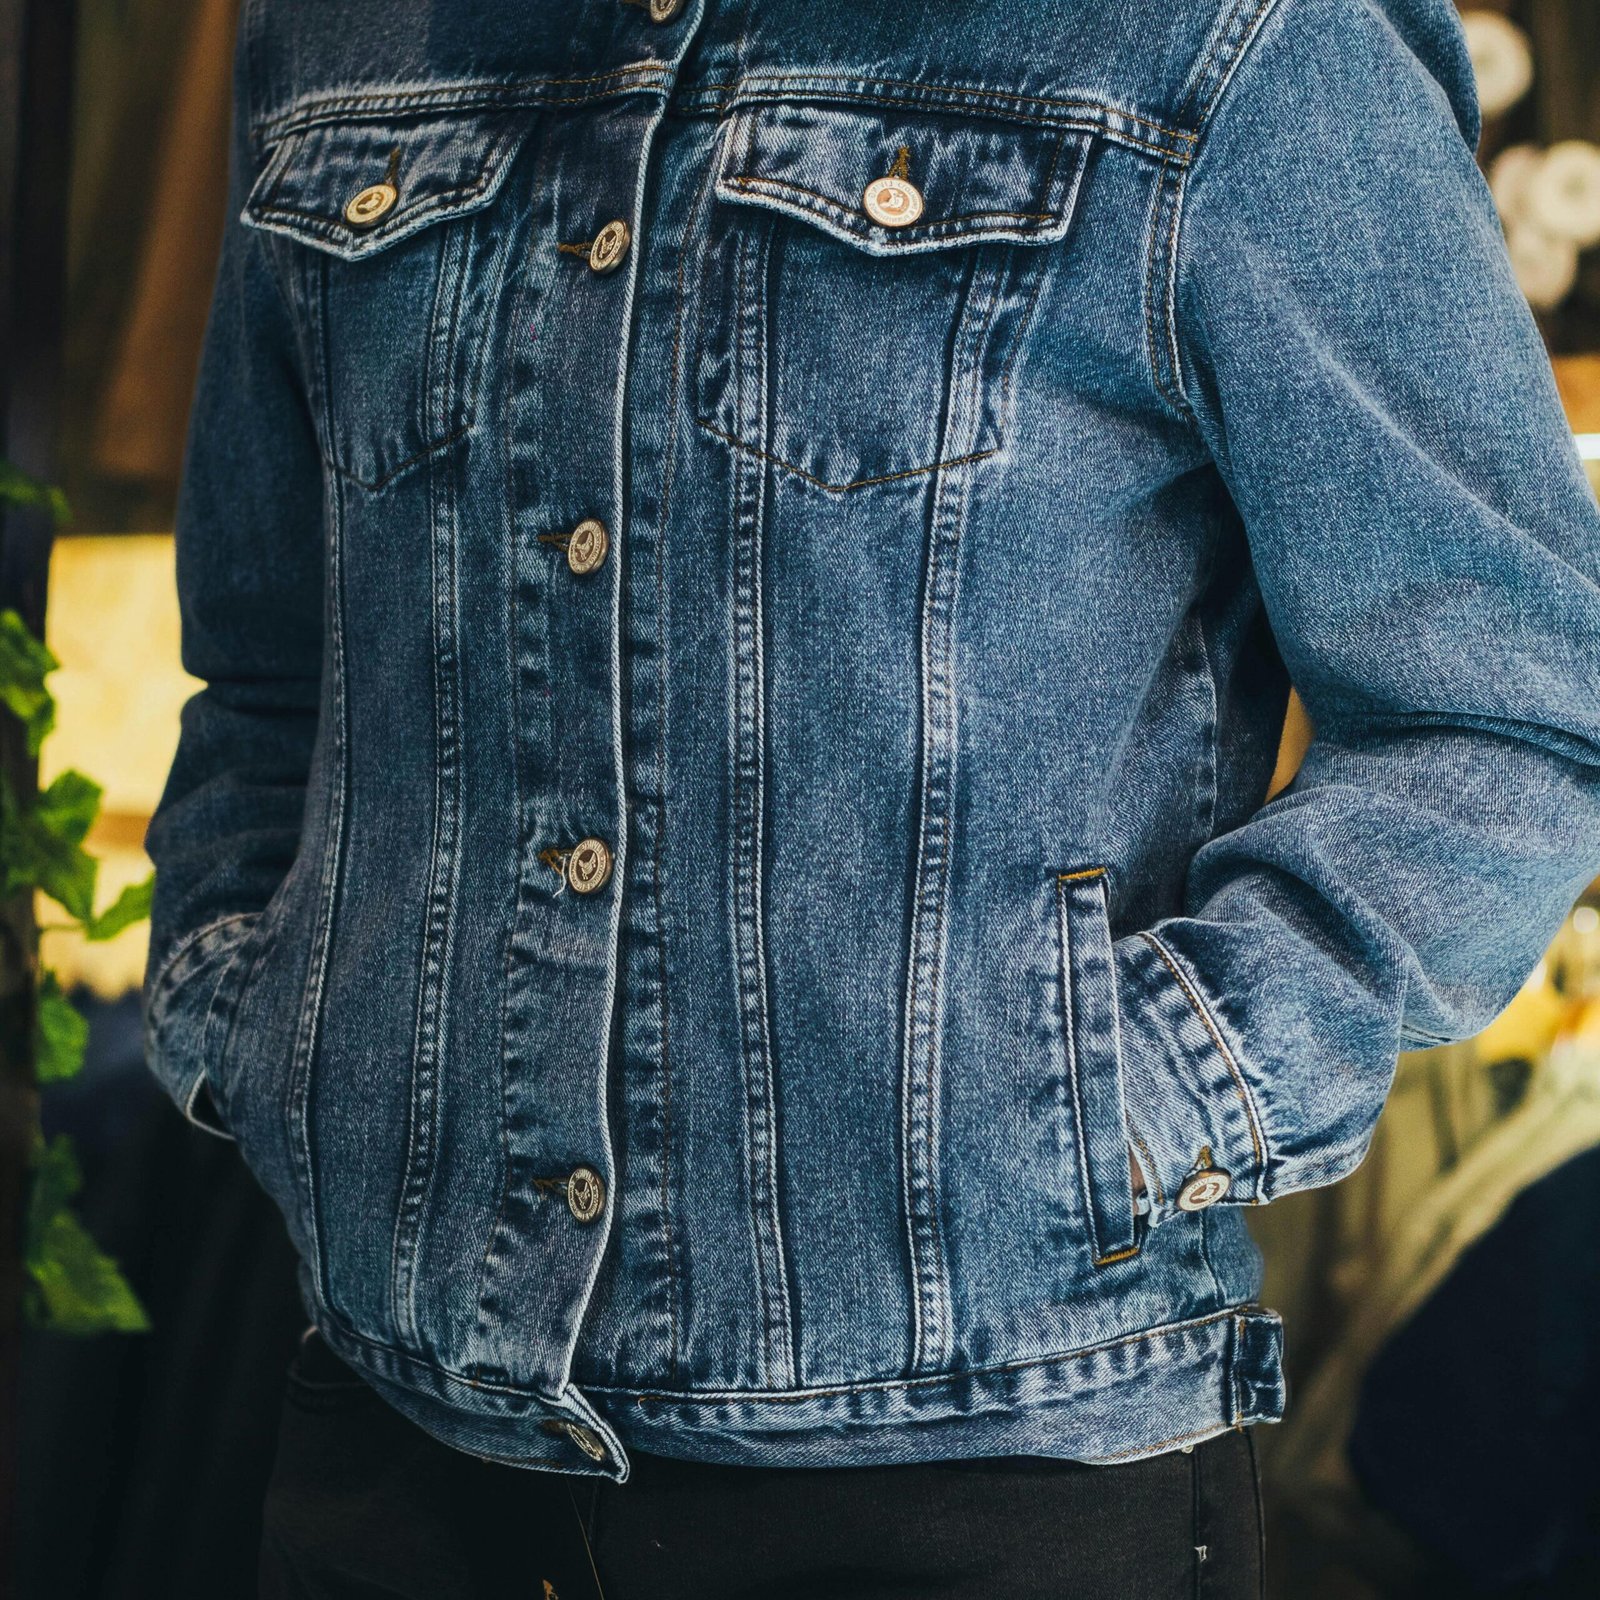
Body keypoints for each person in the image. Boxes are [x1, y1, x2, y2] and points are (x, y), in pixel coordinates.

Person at [139, 0, 1600, 1594]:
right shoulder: (338, 38)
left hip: (991, 1463)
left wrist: (1135, 1098)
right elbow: (277, 672)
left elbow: (1509, 712)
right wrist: (245, 1008)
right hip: (393, 1440)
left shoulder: (1227, 41)